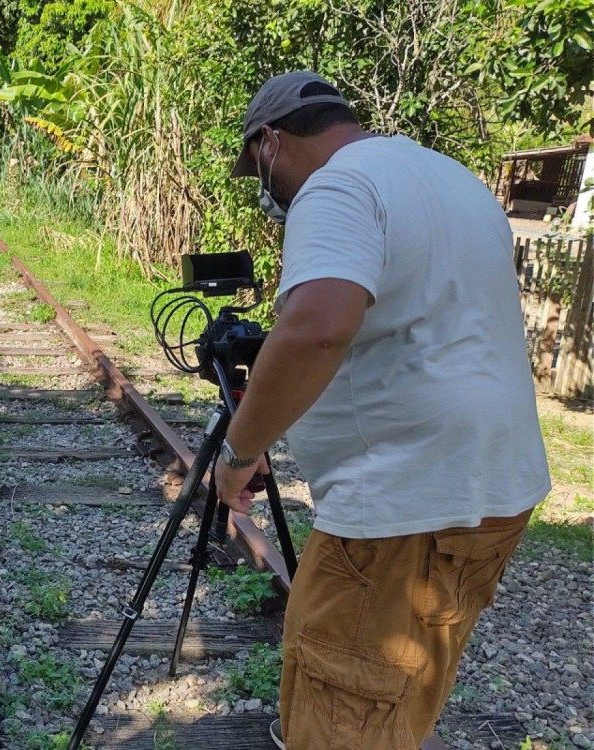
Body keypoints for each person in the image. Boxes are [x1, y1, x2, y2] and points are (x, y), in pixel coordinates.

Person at [211, 71, 552, 750]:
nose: (267, 191)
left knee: (342, 723)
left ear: (271, 141)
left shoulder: (337, 184)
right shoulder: (447, 177)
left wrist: (238, 455)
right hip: (493, 493)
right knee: (391, 709)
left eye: (260, 172)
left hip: (404, 510)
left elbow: (316, 328)